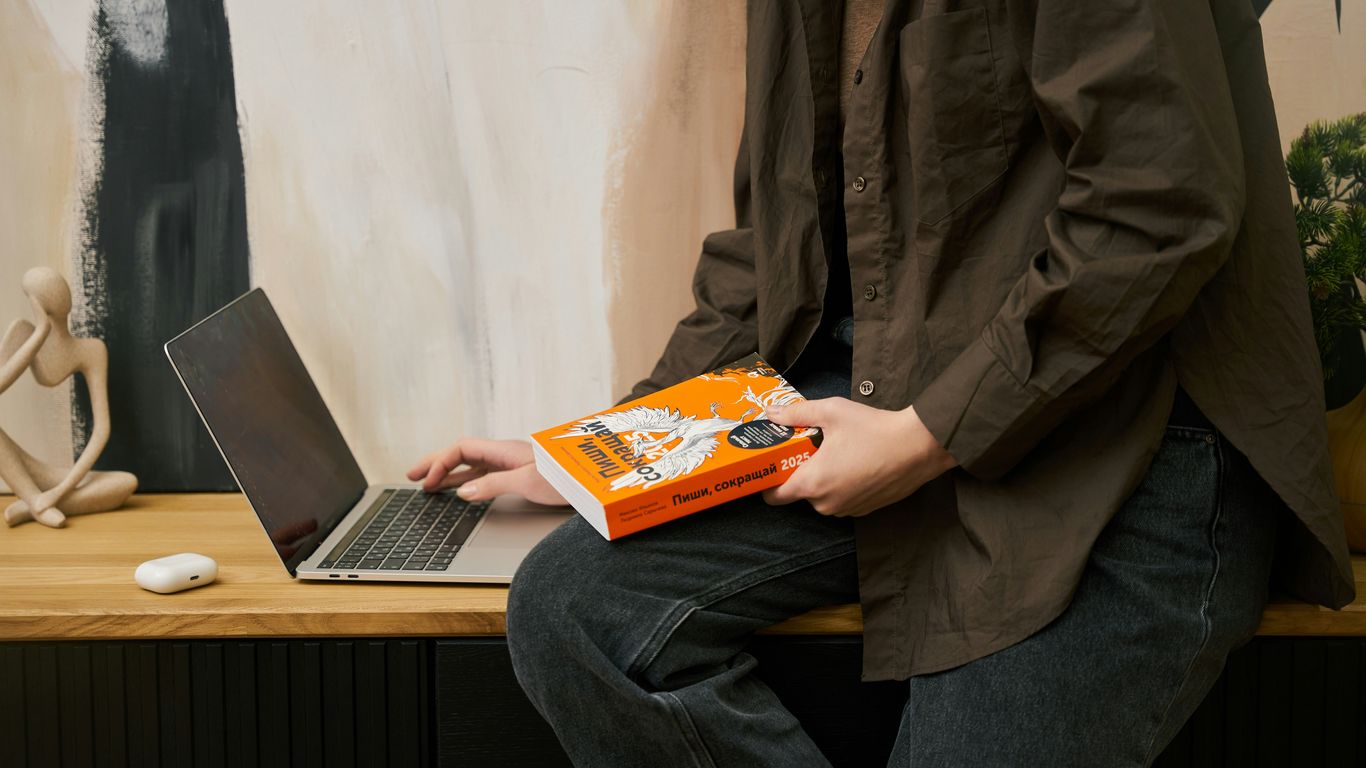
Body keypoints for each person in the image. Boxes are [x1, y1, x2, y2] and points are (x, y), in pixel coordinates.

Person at [408, 0, 1355, 764]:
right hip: (884, 394)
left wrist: (924, 439)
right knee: (577, 609)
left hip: (1129, 440)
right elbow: (776, 245)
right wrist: (607, 454)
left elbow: (1156, 210)